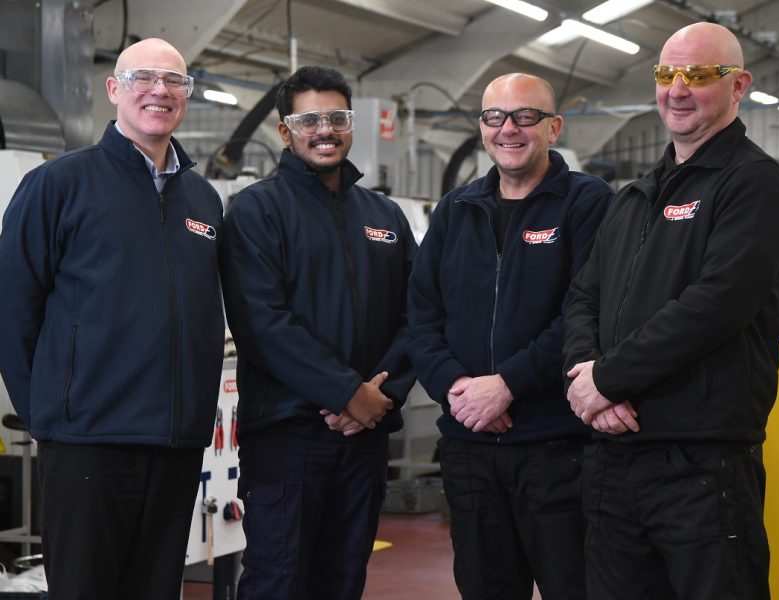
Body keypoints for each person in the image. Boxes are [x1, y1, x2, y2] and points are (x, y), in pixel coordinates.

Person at [563, 22, 779, 600]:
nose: (678, 89)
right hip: (612, 456)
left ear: (738, 84)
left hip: (699, 463)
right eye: (667, 74)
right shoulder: (634, 196)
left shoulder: (755, 183)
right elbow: (583, 296)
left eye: (698, 75)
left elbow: (718, 304)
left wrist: (609, 379)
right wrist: (586, 373)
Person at [0, 38, 224, 599]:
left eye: (174, 81)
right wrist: (50, 415)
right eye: (143, 77)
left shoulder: (203, 200)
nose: (160, 91)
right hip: (87, 441)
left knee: (155, 588)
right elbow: (11, 307)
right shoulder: (59, 184)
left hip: (175, 444)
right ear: (113, 90)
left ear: (186, 97)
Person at [407, 73, 612, 599]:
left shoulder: (589, 204)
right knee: (484, 586)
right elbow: (421, 314)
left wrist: (508, 384)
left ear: (554, 127)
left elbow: (582, 313)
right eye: (495, 117)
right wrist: (458, 389)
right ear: (482, 127)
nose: (509, 129)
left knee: (576, 586)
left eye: (526, 116)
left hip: (557, 447)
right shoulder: (456, 210)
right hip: (470, 447)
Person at [220, 65, 417, 600]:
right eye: (309, 119)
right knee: (279, 580)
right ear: (285, 131)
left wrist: (382, 396)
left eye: (336, 117)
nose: (324, 129)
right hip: (289, 437)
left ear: (351, 126)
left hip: (365, 439)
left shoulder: (384, 215)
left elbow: (418, 314)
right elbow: (262, 323)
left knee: (344, 578)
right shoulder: (257, 211)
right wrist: (346, 393)